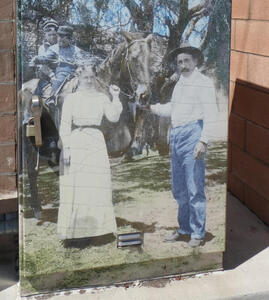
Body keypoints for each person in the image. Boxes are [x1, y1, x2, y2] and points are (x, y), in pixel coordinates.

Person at [149, 45, 218, 247]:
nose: (183, 65)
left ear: (195, 61)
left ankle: (198, 233)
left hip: (194, 134)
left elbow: (211, 113)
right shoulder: (179, 84)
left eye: (187, 60)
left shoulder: (203, 83)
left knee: (194, 187)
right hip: (177, 136)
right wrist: (151, 108)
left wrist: (203, 141)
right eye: (179, 62)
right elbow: (173, 108)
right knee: (179, 188)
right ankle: (184, 229)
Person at [57, 66, 123, 244]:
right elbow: (64, 125)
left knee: (97, 183)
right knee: (79, 184)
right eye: (85, 77)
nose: (88, 80)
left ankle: (101, 230)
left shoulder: (102, 97)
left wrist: (115, 96)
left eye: (91, 77)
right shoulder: (71, 99)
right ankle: (77, 232)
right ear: (78, 77)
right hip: (77, 140)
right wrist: (67, 148)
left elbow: (113, 117)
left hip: (96, 141)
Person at [33, 25, 84, 96]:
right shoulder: (53, 49)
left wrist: (80, 67)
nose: (60, 39)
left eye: (63, 37)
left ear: (69, 39)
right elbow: (45, 58)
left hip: (75, 72)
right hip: (62, 71)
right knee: (59, 81)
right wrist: (38, 59)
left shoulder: (76, 50)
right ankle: (53, 98)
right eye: (59, 36)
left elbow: (82, 61)